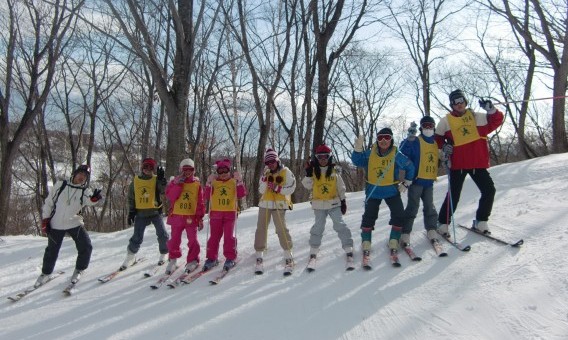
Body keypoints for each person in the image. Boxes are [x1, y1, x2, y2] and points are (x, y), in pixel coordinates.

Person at [435, 89, 504, 236]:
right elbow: (437, 139)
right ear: (452, 105)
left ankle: (481, 221)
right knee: (454, 195)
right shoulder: (446, 121)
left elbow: (496, 121)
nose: (459, 104)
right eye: (455, 102)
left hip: (477, 163)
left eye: (461, 101)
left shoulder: (477, 117)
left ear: (465, 102)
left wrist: (491, 109)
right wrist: (444, 148)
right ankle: (442, 223)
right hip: (458, 164)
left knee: (489, 190)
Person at [351, 128, 415, 268]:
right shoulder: (369, 154)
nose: (384, 141)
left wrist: (407, 182)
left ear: (391, 139)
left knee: (399, 214)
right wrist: (357, 148)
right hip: (373, 191)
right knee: (369, 216)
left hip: (391, 190)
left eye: (387, 137)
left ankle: (393, 240)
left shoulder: (396, 155)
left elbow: (411, 167)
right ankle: (366, 241)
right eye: (380, 138)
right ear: (377, 140)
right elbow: (357, 161)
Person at [35, 165, 103, 287]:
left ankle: (79, 269)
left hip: (74, 223)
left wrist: (95, 199)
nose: (82, 177)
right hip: (56, 223)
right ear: (75, 174)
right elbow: (49, 202)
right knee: (51, 251)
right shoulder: (61, 185)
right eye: (80, 174)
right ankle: (45, 274)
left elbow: (90, 201)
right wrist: (45, 219)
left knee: (86, 246)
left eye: (85, 176)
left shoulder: (84, 191)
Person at [302, 144, 354, 269]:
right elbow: (307, 186)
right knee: (318, 227)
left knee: (339, 224)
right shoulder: (313, 171)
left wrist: (343, 201)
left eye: (325, 157)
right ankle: (313, 251)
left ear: (329, 157)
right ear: (316, 158)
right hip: (319, 205)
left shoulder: (335, 171)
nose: (323, 160)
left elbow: (341, 187)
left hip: (334, 203)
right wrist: (308, 174)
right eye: (320, 157)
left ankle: (348, 248)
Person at [121, 158, 169, 270]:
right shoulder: (136, 180)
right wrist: (131, 211)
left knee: (162, 233)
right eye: (146, 167)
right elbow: (131, 197)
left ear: (153, 169)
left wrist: (162, 181)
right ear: (142, 168)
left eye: (150, 167)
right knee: (137, 236)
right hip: (141, 213)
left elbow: (163, 191)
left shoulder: (156, 179)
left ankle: (164, 252)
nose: (148, 169)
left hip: (155, 211)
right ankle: (131, 256)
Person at [254, 148, 296, 275]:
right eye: (268, 162)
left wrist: (278, 188)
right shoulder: (266, 173)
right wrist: (263, 180)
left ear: (277, 160)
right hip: (265, 204)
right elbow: (261, 191)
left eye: (272, 161)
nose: (271, 164)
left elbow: (292, 188)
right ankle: (259, 253)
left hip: (279, 204)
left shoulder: (286, 171)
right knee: (261, 228)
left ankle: (288, 253)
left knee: (281, 229)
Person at [400, 116, 440, 244]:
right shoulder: (416, 141)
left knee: (429, 206)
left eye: (430, 125)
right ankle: (405, 232)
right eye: (425, 125)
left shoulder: (435, 142)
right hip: (416, 181)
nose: (428, 128)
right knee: (413, 207)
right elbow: (402, 151)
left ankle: (431, 229)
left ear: (434, 127)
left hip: (429, 181)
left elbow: (439, 158)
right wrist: (409, 139)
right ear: (421, 127)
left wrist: (445, 156)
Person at [203, 158, 247, 271]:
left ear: (229, 171)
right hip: (215, 214)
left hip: (230, 214)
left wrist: (240, 181)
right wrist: (208, 183)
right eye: (220, 171)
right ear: (217, 172)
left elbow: (241, 194)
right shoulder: (214, 182)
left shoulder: (233, 181)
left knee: (228, 237)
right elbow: (206, 196)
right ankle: (211, 258)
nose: (223, 174)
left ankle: (230, 257)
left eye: (225, 171)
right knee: (214, 237)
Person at [164, 158, 205, 274]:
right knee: (174, 240)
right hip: (176, 216)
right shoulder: (174, 183)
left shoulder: (196, 185)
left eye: (190, 169)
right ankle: (173, 260)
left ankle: (193, 260)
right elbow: (171, 197)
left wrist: (200, 218)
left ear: (194, 170)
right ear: (181, 170)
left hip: (190, 218)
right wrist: (178, 184)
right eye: (185, 169)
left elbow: (200, 202)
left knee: (193, 240)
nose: (187, 172)